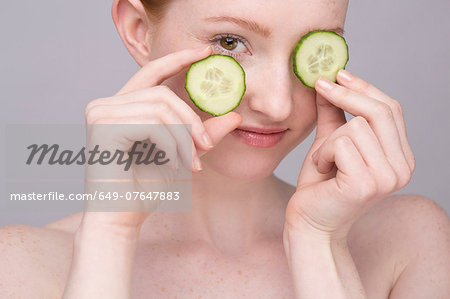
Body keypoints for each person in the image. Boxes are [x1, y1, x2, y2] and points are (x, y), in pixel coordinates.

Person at [1, 0, 449, 298]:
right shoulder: (20, 266)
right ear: (139, 31)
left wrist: (320, 244)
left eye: (309, 51)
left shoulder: (406, 243)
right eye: (230, 43)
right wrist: (110, 236)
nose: (276, 104)